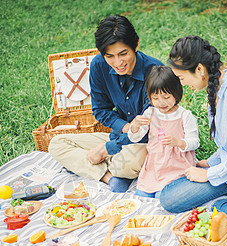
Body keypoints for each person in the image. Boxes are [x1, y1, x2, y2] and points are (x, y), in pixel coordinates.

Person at [48, 15, 163, 193]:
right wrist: (125, 128)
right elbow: (101, 110)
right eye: (110, 56)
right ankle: (109, 177)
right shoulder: (99, 65)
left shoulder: (156, 72)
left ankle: (109, 166)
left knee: (128, 163)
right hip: (118, 137)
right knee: (56, 143)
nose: (118, 63)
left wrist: (106, 149)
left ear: (136, 45)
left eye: (123, 54)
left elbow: (148, 129)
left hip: (146, 142)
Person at [157, 35, 227, 218]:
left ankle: (224, 207)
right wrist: (209, 163)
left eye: (181, 77)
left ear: (200, 69)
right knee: (169, 198)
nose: (182, 84)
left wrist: (209, 174)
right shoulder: (215, 90)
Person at [128, 65, 199, 198]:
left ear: (177, 93)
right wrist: (135, 126)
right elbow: (135, 137)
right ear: (149, 97)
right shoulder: (150, 113)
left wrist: (179, 142)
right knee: (141, 195)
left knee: (163, 196)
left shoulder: (184, 115)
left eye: (166, 97)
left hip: (176, 165)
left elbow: (194, 141)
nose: (161, 102)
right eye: (155, 98)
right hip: (155, 165)